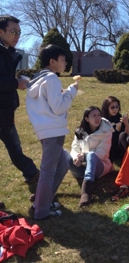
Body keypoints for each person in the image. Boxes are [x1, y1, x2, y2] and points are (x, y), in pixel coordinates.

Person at [26, 44, 78, 220]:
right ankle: (41, 211)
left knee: (63, 165)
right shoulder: (52, 79)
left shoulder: (38, 79)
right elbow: (58, 108)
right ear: (52, 61)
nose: (65, 63)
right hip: (53, 131)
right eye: (63, 60)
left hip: (44, 129)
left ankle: (43, 200)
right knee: (48, 172)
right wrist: (71, 92)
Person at [0, 15, 39, 189]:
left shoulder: (7, 52)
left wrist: (16, 80)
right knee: (14, 147)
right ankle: (32, 173)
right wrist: (16, 83)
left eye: (19, 32)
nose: (17, 36)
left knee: (15, 147)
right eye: (13, 32)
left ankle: (32, 174)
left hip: (5, 111)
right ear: (1, 31)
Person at [67, 106, 113, 207]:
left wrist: (84, 157)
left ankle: (86, 192)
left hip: (99, 168)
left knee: (91, 155)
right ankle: (46, 189)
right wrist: (75, 158)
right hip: (81, 168)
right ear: (86, 118)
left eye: (99, 115)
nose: (97, 118)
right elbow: (74, 148)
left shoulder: (106, 131)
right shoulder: (80, 131)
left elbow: (102, 153)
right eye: (94, 116)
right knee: (63, 154)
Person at [101, 96, 129, 164]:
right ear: (106, 108)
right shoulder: (102, 120)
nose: (115, 109)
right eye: (112, 107)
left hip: (119, 148)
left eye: (117, 107)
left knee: (122, 135)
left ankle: (128, 158)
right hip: (107, 148)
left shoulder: (121, 119)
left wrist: (126, 124)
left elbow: (127, 136)